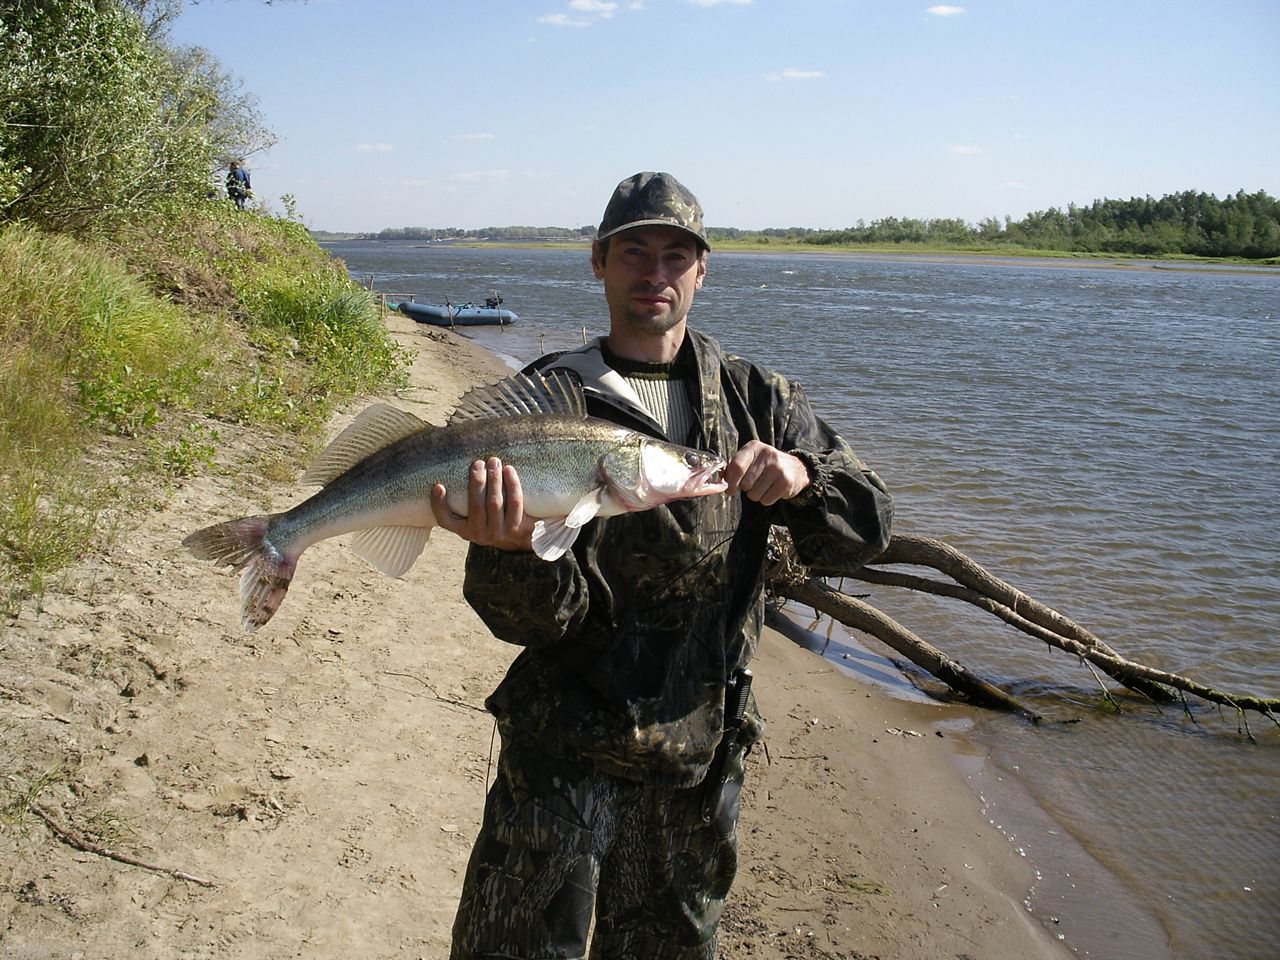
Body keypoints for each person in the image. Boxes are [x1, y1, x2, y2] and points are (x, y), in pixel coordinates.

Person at [431, 171, 893, 959]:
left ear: (702, 271)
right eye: (634, 252)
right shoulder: (543, 402)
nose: (655, 273)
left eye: (675, 255)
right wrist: (516, 555)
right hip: (559, 757)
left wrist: (804, 481)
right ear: (598, 263)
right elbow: (525, 622)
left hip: (697, 767)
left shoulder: (760, 399)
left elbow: (868, 525)